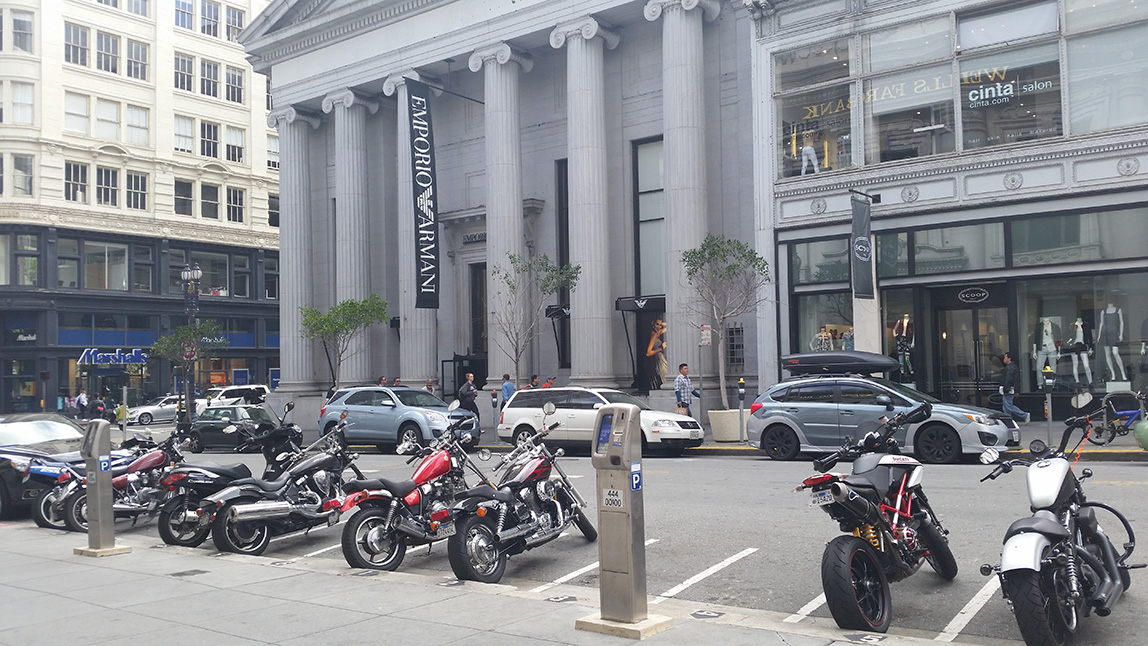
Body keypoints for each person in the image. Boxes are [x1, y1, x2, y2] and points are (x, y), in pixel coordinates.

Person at [999, 352, 1029, 423]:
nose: (1004, 359)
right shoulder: (1013, 367)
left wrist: (1006, 388)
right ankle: (1008, 420)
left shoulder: (1009, 368)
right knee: (1006, 407)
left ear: (1009, 359)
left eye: (1005, 358)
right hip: (1011, 389)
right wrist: (1016, 390)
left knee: (1008, 406)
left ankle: (1024, 415)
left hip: (1008, 389)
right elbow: (1016, 380)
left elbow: (1008, 379)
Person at [646, 317, 667, 390]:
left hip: (659, 358)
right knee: (663, 376)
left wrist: (663, 324)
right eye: (657, 324)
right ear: (653, 324)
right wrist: (660, 348)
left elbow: (668, 327)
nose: (659, 327)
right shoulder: (654, 335)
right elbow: (648, 353)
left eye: (660, 325)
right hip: (658, 359)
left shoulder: (657, 333)